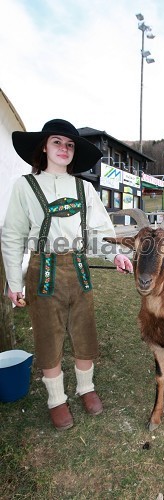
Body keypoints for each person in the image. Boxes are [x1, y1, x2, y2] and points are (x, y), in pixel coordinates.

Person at [1, 119, 133, 431]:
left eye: (70, 145)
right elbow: (12, 236)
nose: (64, 149)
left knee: (85, 332)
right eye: (57, 142)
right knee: (49, 336)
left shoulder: (84, 188)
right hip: (42, 271)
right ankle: (56, 399)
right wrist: (14, 282)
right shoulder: (24, 185)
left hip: (78, 268)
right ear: (44, 147)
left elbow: (101, 231)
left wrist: (114, 253)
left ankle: (86, 388)